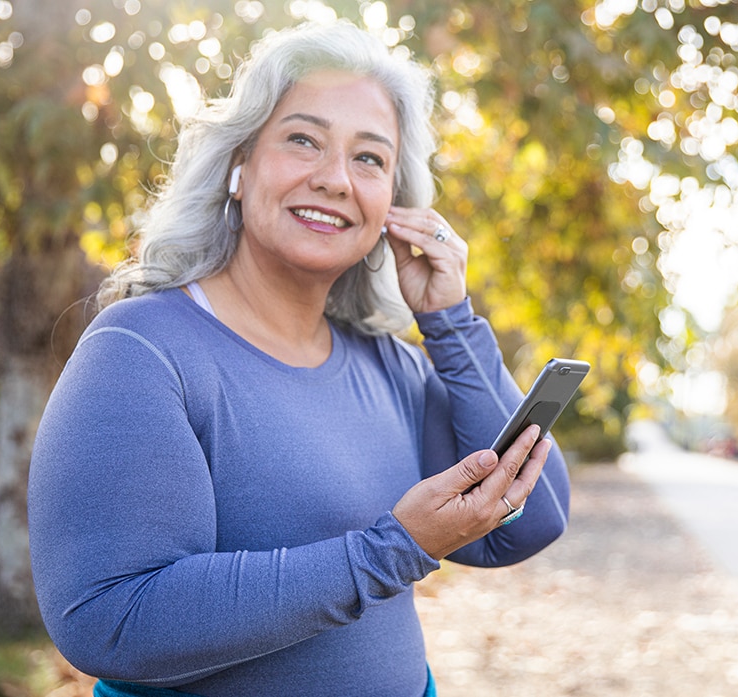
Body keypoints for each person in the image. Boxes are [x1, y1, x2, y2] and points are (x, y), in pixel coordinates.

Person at [28, 20, 571, 697]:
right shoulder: (140, 350)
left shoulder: (389, 367)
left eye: (370, 158)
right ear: (238, 166)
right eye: (302, 140)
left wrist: (450, 321)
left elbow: (531, 519)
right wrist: (392, 549)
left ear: (393, 208)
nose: (336, 178)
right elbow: (111, 620)